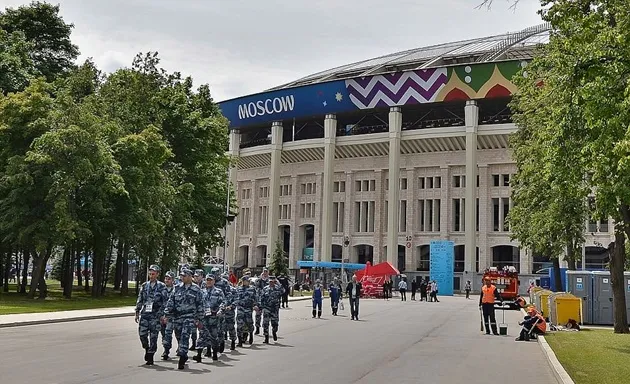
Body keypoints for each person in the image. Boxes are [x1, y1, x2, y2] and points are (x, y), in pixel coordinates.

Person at [163, 268, 205, 370]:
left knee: (185, 336)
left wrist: (199, 319)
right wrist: (167, 314)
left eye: (184, 276)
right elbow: (171, 301)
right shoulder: (177, 288)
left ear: (190, 277)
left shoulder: (196, 289)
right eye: (181, 276)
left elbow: (200, 304)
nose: (182, 277)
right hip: (177, 317)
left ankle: (182, 357)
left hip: (189, 317)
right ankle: (183, 352)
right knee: (178, 335)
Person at [135, 265, 168, 365]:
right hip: (145, 314)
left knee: (153, 336)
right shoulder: (145, 285)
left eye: (153, 274)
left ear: (157, 274)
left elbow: (165, 302)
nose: (151, 276)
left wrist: (162, 314)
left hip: (156, 315)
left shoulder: (162, 286)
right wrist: (137, 311)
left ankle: (151, 355)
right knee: (142, 335)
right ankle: (146, 348)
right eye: (150, 274)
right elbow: (140, 299)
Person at [194, 274, 225, 363]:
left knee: (214, 336)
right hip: (203, 317)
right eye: (207, 280)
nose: (209, 282)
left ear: (214, 281)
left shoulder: (218, 291)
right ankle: (199, 355)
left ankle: (214, 353)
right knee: (202, 335)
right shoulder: (201, 292)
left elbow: (223, 302)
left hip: (214, 317)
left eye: (211, 280)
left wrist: (220, 310)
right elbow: (198, 304)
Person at [235, 275, 259, 346]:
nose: (248, 282)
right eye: (246, 281)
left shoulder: (252, 289)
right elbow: (235, 298)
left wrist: (256, 305)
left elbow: (256, 298)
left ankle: (251, 335)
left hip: (248, 309)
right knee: (239, 325)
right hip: (240, 309)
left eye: (248, 281)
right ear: (243, 281)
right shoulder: (238, 289)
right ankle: (239, 341)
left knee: (249, 323)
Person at [260, 276, 284, 343]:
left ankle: (274, 331)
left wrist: (279, 283)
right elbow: (262, 298)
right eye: (270, 282)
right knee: (265, 323)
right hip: (267, 308)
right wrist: (261, 307)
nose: (271, 283)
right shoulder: (265, 289)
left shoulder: (278, 288)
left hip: (275, 309)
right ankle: (266, 337)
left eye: (273, 281)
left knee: (275, 323)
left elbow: (283, 291)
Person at [160, 271, 176, 360]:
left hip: (173, 316)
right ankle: (166, 349)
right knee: (164, 333)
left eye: (169, 279)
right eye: (166, 278)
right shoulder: (161, 289)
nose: (166, 280)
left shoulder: (176, 290)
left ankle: (179, 347)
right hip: (163, 316)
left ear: (173, 280)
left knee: (174, 333)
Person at [255, 267, 270, 334]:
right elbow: (255, 288)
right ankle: (257, 328)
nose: (265, 273)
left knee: (266, 316)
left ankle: (265, 330)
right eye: (264, 271)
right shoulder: (259, 280)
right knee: (258, 315)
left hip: (267, 301)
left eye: (266, 271)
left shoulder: (270, 280)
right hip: (259, 300)